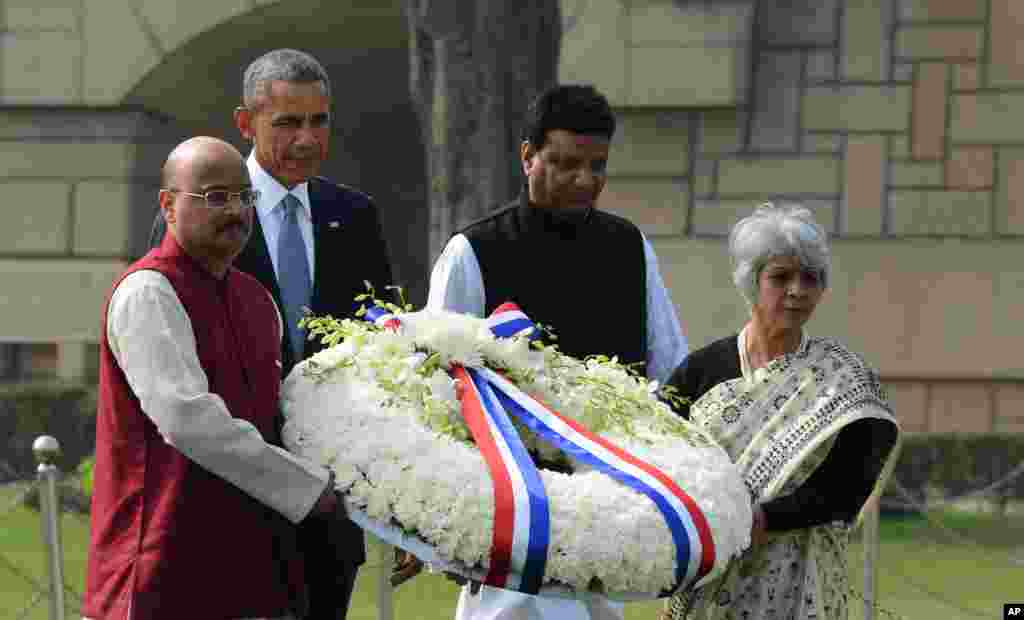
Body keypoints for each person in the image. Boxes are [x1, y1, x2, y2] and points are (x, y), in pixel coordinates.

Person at [147, 49, 396, 618]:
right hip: (232, 503)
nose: (307, 139)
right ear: (245, 123)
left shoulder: (355, 215)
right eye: (287, 123)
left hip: (332, 509)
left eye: (318, 121)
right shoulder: (198, 212)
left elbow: (382, 352)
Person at [426, 84, 689, 620]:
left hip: (606, 507)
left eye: (597, 166)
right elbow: (433, 387)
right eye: (566, 164)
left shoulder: (629, 248)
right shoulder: (472, 252)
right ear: (528, 157)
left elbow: (670, 370)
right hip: (508, 515)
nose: (584, 181)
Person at [83, 137, 343, 620]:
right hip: (161, 566)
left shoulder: (258, 301)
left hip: (257, 569)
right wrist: (310, 488)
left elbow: (281, 416)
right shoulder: (149, 292)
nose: (235, 211)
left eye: (245, 197)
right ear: (168, 203)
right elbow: (187, 420)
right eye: (215, 197)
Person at [662, 203, 901, 620]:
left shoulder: (841, 377)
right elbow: (659, 452)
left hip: (801, 581)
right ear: (751, 283)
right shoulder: (701, 370)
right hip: (710, 573)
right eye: (781, 277)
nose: (797, 290)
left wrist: (762, 519)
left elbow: (848, 487)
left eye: (811, 278)